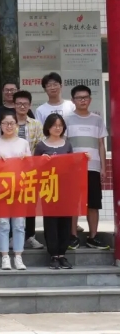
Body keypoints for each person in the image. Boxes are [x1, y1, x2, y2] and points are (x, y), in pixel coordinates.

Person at [65, 85, 110, 251]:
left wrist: (103, 168)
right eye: (79, 98)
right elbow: (64, 144)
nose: (82, 100)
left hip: (93, 167)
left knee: (93, 203)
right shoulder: (67, 119)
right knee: (73, 203)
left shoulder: (97, 119)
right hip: (73, 169)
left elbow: (101, 144)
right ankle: (73, 236)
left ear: (90, 100)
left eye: (85, 97)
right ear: (73, 100)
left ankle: (93, 237)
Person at [0, 111, 31, 271]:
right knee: (3, 223)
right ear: (0, 125)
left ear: (17, 125)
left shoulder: (23, 143)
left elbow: (30, 166)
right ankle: (5, 256)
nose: (9, 126)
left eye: (12, 123)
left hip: (19, 189)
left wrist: (25, 161)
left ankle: (18, 256)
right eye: (5, 123)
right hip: (0, 189)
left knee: (19, 224)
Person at [34, 114, 74, 269]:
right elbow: (34, 168)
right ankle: (53, 255)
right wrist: (42, 161)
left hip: (65, 189)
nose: (57, 128)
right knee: (51, 222)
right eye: (54, 125)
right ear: (48, 127)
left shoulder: (67, 145)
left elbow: (73, 165)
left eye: (60, 125)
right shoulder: (41, 146)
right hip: (48, 189)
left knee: (65, 221)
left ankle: (62, 254)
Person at [12, 90, 45, 250]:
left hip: (31, 171)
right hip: (11, 171)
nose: (22, 106)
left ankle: (30, 236)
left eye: (25, 104)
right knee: (12, 203)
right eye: (19, 104)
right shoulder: (8, 123)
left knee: (30, 204)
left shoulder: (36, 124)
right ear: (14, 105)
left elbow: (40, 146)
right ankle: (12, 236)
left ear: (30, 105)